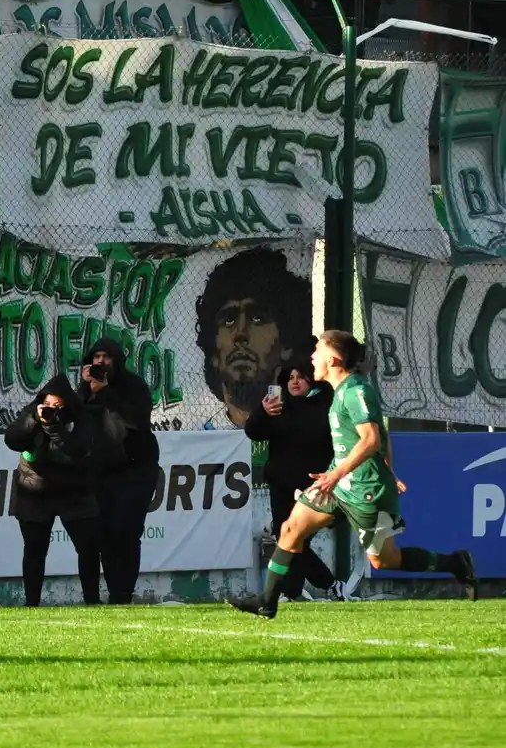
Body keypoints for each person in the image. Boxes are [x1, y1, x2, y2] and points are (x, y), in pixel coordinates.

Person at [233, 331, 478, 619]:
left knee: (383, 560)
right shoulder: (338, 392)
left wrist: (343, 473)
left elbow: (372, 438)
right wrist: (360, 472)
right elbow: (379, 437)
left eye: (318, 353)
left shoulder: (356, 391)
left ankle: (454, 562)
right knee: (289, 529)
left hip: (364, 488)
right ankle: (267, 601)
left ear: (333, 360)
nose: (312, 358)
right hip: (336, 485)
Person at [243, 346, 349, 602]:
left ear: (311, 379)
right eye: (290, 377)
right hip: (281, 482)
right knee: (287, 538)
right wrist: (262, 412)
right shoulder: (278, 406)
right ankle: (313, 587)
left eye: (300, 377)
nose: (295, 382)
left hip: (314, 484)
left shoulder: (327, 404)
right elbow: (253, 431)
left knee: (296, 539)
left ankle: (313, 587)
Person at [4, 374, 101, 607]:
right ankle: (31, 604)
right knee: (35, 550)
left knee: (88, 548)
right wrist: (34, 421)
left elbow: (77, 450)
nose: (50, 410)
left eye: (57, 406)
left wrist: (55, 428)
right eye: (47, 404)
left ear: (67, 404)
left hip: (74, 490)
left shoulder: (82, 418)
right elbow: (12, 440)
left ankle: (92, 601)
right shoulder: (31, 413)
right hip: (34, 488)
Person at [78, 338, 159, 605]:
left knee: (126, 530)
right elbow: (76, 419)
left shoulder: (133, 385)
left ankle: (123, 592)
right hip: (101, 470)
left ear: (117, 359)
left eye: (107, 357)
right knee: (105, 534)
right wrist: (86, 389)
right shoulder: (86, 389)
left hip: (136, 467)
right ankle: (115, 592)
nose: (101, 362)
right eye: (96, 357)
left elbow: (136, 420)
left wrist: (106, 391)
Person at [194, 247, 311, 429]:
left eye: (257, 318)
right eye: (229, 320)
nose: (240, 334)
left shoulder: (302, 427)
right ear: (214, 354)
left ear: (285, 344)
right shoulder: (200, 437)